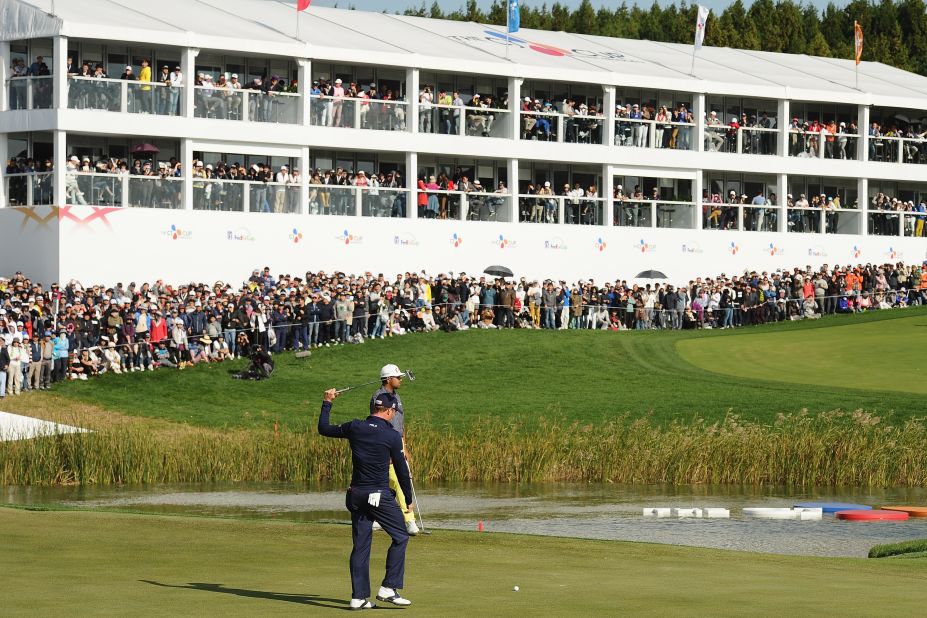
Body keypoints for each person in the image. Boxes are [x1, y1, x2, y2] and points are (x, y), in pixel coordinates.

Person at [317, 389, 413, 610]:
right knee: (400, 536)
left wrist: (327, 402)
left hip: (356, 495)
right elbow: (400, 469)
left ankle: (358, 597)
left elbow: (323, 428)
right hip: (377, 495)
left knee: (360, 546)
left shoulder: (355, 427)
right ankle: (389, 587)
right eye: (393, 412)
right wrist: (407, 498)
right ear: (388, 411)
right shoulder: (391, 436)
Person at [369, 364, 420, 535]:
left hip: (397, 445)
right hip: (384, 447)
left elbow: (400, 425)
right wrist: (386, 450)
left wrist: (404, 446)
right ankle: (409, 520)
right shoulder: (378, 397)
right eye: (397, 377)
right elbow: (376, 425)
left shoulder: (397, 398)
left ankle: (378, 517)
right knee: (395, 481)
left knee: (390, 482)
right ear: (388, 379)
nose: (400, 379)